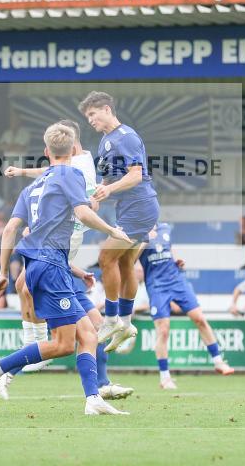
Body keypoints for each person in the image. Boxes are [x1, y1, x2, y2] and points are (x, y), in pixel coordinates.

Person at [0, 122, 131, 415]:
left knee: (88, 333)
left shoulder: (33, 186)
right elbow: (84, 212)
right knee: (62, 344)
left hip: (42, 264)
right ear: (73, 150)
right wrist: (113, 230)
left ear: (46, 152)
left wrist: (1, 274)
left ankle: (93, 399)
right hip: (50, 265)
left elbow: (10, 228)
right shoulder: (71, 174)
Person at [79, 91, 160, 352]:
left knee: (105, 257)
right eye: (87, 116)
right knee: (125, 262)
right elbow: (109, 177)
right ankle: (125, 323)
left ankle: (111, 319)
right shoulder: (105, 142)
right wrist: (97, 194)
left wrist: (110, 191)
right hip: (129, 208)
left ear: (106, 109)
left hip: (140, 207)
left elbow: (136, 175)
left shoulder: (127, 137)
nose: (90, 119)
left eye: (92, 114)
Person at [142, 223, 234, 389]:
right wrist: (144, 238)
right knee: (163, 330)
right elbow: (131, 261)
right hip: (157, 286)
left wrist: (176, 260)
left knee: (199, 318)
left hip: (177, 280)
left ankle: (218, 361)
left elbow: (169, 248)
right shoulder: (136, 233)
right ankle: (165, 378)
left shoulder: (165, 228)